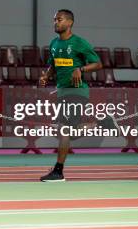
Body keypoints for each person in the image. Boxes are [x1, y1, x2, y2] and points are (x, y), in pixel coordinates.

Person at [38, 10, 103, 182]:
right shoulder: (53, 44)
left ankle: (58, 171)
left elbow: (98, 64)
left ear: (69, 22)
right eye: (54, 20)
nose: (55, 23)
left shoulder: (79, 43)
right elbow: (53, 66)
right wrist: (46, 76)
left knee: (64, 130)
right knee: (69, 133)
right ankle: (103, 123)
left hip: (77, 91)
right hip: (62, 92)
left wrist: (80, 69)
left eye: (59, 20)